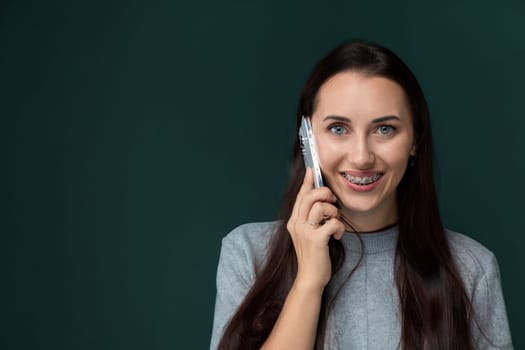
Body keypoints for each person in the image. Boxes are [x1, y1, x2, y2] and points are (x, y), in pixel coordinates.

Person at [209, 41, 513, 349]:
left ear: (415, 141)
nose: (361, 157)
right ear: (308, 140)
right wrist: (308, 283)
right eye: (339, 129)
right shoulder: (248, 254)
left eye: (385, 130)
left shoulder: (472, 268)